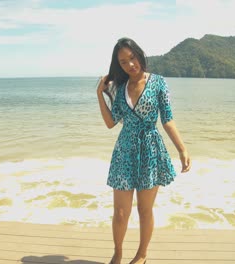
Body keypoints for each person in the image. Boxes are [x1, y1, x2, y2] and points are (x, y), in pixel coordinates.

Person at [96, 37, 191, 264]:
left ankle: (142, 255)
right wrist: (100, 94)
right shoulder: (120, 89)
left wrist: (182, 149)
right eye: (123, 62)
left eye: (132, 57)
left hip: (150, 149)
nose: (130, 64)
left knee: (144, 210)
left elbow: (167, 120)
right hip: (125, 150)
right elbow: (111, 122)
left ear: (139, 54)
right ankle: (118, 254)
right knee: (120, 213)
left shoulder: (158, 82)